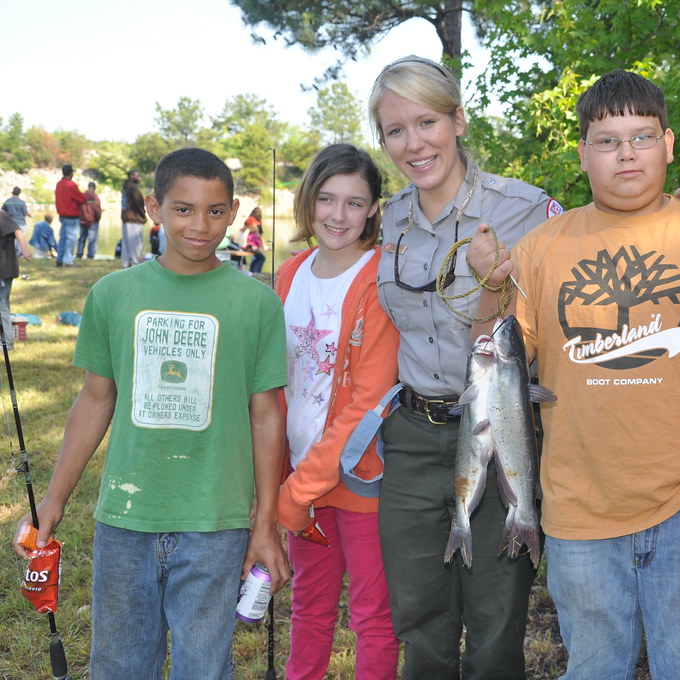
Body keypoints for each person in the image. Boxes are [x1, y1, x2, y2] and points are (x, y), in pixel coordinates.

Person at [370, 56, 680, 680]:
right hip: (417, 433)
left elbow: (614, 242)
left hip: (503, 427)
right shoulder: (390, 217)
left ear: (458, 121)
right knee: (418, 614)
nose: (414, 143)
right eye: (395, 130)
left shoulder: (529, 209)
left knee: (497, 617)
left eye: (427, 122)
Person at [467, 69, 680, 680]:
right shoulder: (540, 248)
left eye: (642, 137)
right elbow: (494, 366)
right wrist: (491, 286)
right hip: (578, 512)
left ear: (669, 145)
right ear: (583, 155)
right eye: (607, 141)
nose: (627, 153)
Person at [12, 147, 291, 679]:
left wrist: (265, 522)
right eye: (183, 209)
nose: (200, 225)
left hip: (217, 523)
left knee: (203, 667)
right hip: (124, 520)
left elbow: (266, 415)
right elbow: (95, 400)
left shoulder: (257, 302)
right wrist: (52, 501)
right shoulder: (113, 294)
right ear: (155, 210)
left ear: (233, 212)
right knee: (119, 664)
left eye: (214, 211)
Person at [274, 144, 401, 680]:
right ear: (309, 201)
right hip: (298, 471)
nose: (338, 215)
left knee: (373, 618)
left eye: (355, 203)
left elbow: (368, 398)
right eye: (326, 199)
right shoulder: (288, 272)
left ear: (374, 208)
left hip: (359, 477)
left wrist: (297, 491)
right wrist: (287, 479)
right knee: (310, 606)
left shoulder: (380, 277)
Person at [0, 210, 31, 347]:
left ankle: (6, 343)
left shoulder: (0, 215)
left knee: (2, 305)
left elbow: (17, 230)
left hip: (4, 270)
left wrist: (24, 250)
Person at [55, 164, 88, 267]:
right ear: (71, 174)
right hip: (71, 216)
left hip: (62, 215)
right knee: (71, 239)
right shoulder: (71, 185)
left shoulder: (59, 184)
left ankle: (60, 259)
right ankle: (68, 261)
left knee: (63, 238)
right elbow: (82, 198)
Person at [121, 169, 147, 267]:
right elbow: (139, 204)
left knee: (126, 242)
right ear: (132, 176)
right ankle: (136, 262)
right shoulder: (133, 189)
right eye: (138, 175)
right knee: (135, 242)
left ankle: (126, 262)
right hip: (133, 218)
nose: (139, 177)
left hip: (126, 218)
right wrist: (143, 215)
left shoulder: (125, 188)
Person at [76, 181, 103, 259]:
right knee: (92, 240)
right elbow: (97, 210)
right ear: (94, 188)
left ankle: (79, 255)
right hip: (93, 221)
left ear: (88, 187)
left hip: (82, 220)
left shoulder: (82, 196)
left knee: (81, 238)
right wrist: (98, 219)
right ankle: (90, 256)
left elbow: (78, 207)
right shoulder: (95, 197)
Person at [242, 207, 267, 274]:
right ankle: (255, 272)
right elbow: (247, 235)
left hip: (254, 245)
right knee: (261, 258)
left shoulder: (250, 221)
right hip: (252, 245)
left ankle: (252, 272)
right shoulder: (253, 223)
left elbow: (259, 235)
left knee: (256, 257)